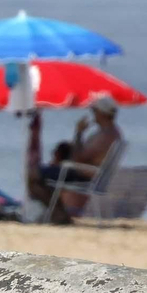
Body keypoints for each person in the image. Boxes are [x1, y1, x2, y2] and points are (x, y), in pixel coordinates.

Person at [25, 95, 123, 224]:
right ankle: (60, 214)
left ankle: (59, 214)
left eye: (94, 111)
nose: (93, 114)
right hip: (90, 173)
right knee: (41, 176)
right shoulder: (113, 133)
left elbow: (78, 158)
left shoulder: (104, 136)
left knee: (32, 176)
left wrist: (79, 132)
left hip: (84, 173)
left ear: (103, 113)